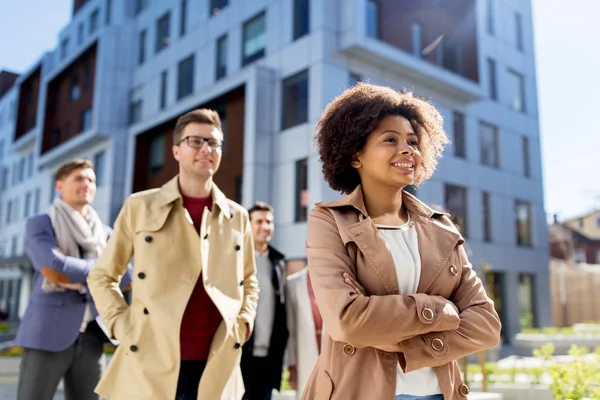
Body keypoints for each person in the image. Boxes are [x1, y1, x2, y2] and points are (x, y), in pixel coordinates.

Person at [302, 83, 502, 400]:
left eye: (412, 141)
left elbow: (486, 325)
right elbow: (348, 321)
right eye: (390, 140)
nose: (408, 149)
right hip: (358, 391)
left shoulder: (443, 229)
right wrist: (438, 310)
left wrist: (403, 341)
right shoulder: (330, 222)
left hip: (441, 393)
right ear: (355, 154)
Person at [87, 109, 260, 400]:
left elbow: (249, 279)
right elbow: (102, 275)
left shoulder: (238, 216)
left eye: (214, 143)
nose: (206, 148)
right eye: (195, 141)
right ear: (176, 150)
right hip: (150, 362)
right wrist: (121, 324)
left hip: (216, 365)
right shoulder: (139, 206)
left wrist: (244, 322)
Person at [16, 159, 133, 400]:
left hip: (92, 336)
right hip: (47, 334)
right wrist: (102, 273)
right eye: (79, 178)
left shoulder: (106, 233)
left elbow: (127, 276)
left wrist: (76, 274)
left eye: (91, 180)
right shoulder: (41, 223)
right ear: (59, 185)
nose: (86, 184)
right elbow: (53, 266)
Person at [241, 202, 288, 400]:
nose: (264, 226)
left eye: (268, 221)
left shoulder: (278, 261)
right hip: (241, 355)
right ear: (249, 225)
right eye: (258, 221)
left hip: (269, 358)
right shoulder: (238, 258)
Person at [285, 265, 323, 398]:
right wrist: (292, 364)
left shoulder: (337, 279)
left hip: (332, 350)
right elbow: (291, 328)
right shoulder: (293, 283)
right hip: (304, 352)